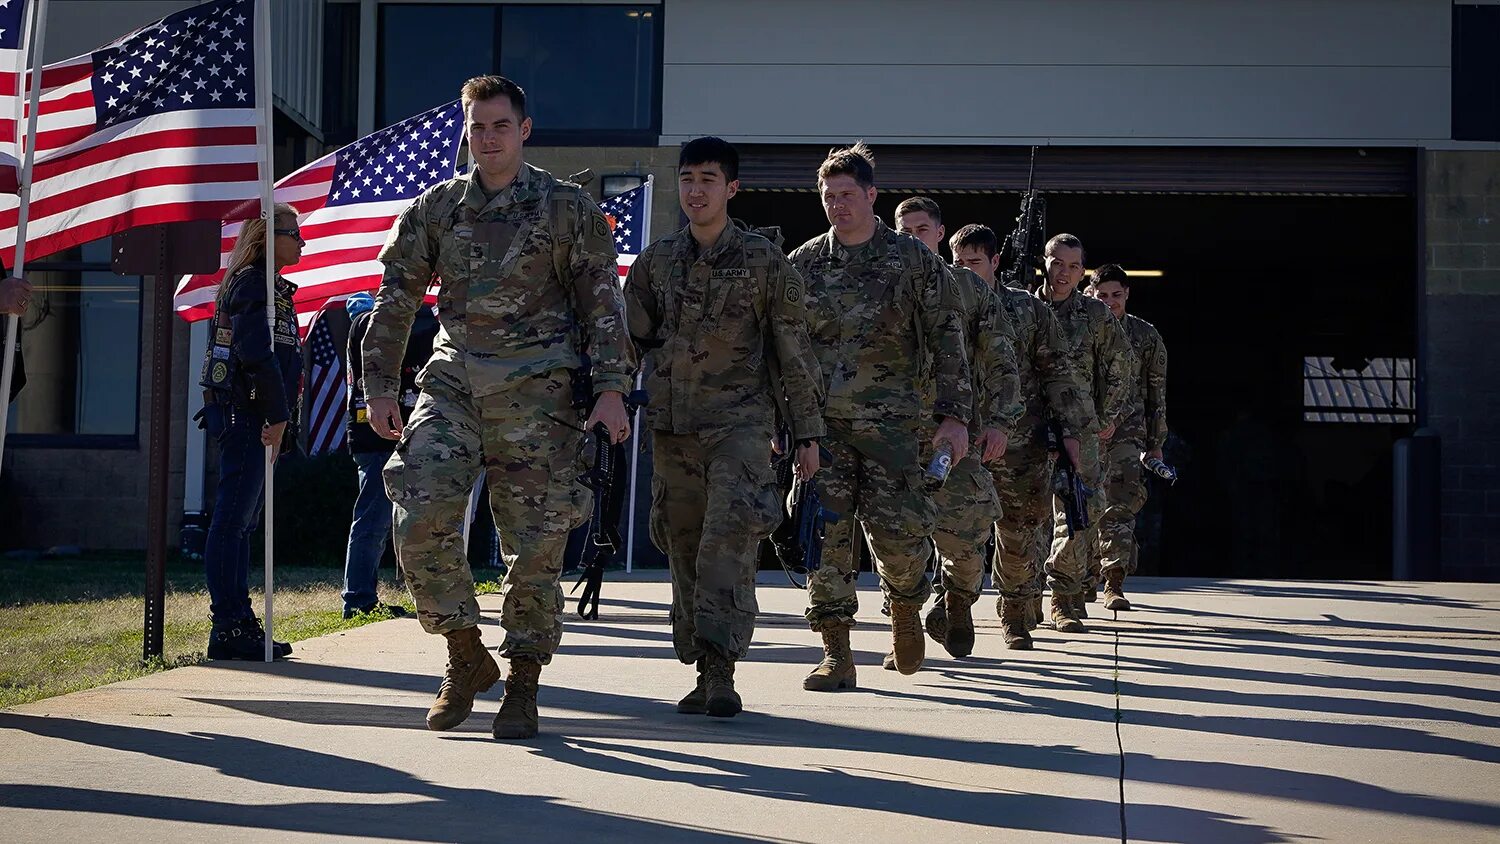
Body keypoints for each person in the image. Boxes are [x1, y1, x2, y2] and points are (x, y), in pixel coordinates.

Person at [364, 76, 635, 740]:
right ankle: (464, 653)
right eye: (477, 125)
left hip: (541, 394)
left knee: (535, 546)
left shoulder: (567, 208)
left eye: (500, 125)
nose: (487, 138)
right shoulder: (437, 208)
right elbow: (396, 295)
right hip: (454, 382)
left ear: (524, 130)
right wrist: (377, 384)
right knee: (418, 507)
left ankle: (523, 683)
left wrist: (610, 390)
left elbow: (603, 304)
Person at [626, 137, 825, 717]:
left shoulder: (764, 262)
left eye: (708, 179)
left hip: (741, 424)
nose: (696, 190)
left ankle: (722, 668)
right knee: (683, 546)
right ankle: (700, 662)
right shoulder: (656, 261)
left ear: (731, 188)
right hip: (673, 427)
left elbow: (793, 350)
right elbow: (627, 338)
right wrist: (610, 396)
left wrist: (806, 433)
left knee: (725, 544)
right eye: (688, 178)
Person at [789, 143, 972, 688]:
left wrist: (954, 416)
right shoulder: (803, 264)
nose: (838, 205)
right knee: (826, 538)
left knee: (899, 537)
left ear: (872, 196)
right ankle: (837, 654)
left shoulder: (914, 261)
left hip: (898, 428)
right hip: (825, 431)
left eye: (848, 194)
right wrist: (791, 425)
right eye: (829, 196)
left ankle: (906, 612)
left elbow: (947, 336)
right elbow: (788, 350)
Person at [951, 224, 1093, 649]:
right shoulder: (941, 306)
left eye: (973, 262)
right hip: (958, 439)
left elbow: (1058, 375)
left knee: (1019, 531)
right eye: (957, 263)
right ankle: (955, 600)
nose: (964, 271)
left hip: (1020, 441)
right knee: (959, 529)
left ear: (995, 262)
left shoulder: (1028, 312)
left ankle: (1014, 612)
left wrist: (1071, 434)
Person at [891, 198, 1020, 661]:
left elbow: (1002, 361)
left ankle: (958, 604)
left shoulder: (968, 289)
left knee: (966, 542)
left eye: (921, 230)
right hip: (894, 438)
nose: (911, 239)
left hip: (956, 437)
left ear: (940, 234)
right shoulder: (881, 284)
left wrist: (1001, 422)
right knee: (897, 543)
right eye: (903, 230)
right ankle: (903, 627)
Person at [197, 203, 304, 660]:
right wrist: (277, 417)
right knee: (233, 521)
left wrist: (281, 417)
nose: (302, 242)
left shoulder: (267, 288)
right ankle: (228, 626)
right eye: (294, 233)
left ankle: (239, 621)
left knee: (242, 523)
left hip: (256, 416)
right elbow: (256, 355)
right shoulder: (250, 285)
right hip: (248, 416)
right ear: (267, 236)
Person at [1036, 234, 1132, 632]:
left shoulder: (1094, 315)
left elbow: (1121, 365)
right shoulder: (1022, 307)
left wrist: (1105, 416)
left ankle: (1064, 596)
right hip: (1030, 428)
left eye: (1074, 267)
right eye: (1058, 263)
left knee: (1079, 514)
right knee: (1025, 519)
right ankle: (1022, 600)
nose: (1065, 273)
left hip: (1080, 429)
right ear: (1045, 262)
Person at [340, 291, 438, 619]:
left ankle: (364, 595)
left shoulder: (366, 322)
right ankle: (357, 598)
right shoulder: (369, 323)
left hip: (385, 434)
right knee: (373, 518)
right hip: (378, 436)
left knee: (385, 521)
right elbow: (416, 338)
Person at [1087, 264, 1167, 610]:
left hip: (1127, 431)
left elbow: (1156, 392)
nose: (1109, 302)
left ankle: (1114, 582)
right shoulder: (1080, 331)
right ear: (1091, 294)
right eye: (1102, 296)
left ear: (1127, 295)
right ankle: (1082, 578)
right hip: (1086, 430)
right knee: (1083, 507)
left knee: (1120, 505)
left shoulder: (1145, 336)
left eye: (1116, 295)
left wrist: (1156, 443)